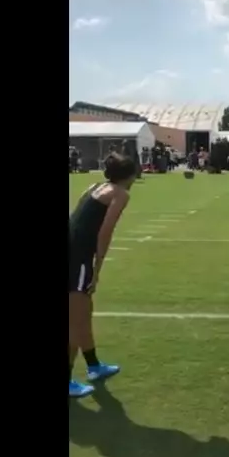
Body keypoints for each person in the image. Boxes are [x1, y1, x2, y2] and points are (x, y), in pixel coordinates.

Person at [68, 152, 136, 398]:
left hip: (74, 251)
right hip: (78, 258)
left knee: (84, 313)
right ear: (128, 175)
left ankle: (94, 366)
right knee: (75, 320)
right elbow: (105, 233)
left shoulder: (95, 186)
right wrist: (96, 270)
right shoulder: (120, 195)